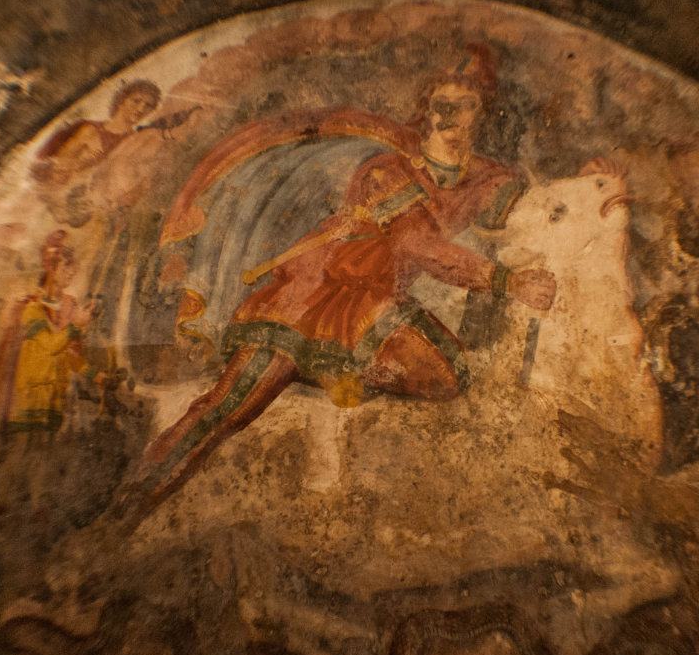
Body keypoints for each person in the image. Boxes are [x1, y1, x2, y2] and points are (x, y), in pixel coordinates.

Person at [127, 47, 555, 518]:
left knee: (447, 373)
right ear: (426, 112)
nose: (449, 114)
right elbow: (418, 246)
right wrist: (506, 281)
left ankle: (339, 369)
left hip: (374, 301)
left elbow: (540, 211)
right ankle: (135, 500)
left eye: (464, 103)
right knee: (229, 407)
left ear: (482, 112)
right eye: (440, 103)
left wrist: (594, 185)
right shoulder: (387, 170)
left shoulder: (488, 180)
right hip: (309, 296)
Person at [0, 231, 101, 433]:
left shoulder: (70, 305)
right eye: (67, 266)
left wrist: (97, 377)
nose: (72, 272)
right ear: (51, 267)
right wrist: (75, 325)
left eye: (74, 267)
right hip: (29, 402)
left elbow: (69, 356)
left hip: (55, 401)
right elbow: (52, 346)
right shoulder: (31, 307)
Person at [29, 80, 161, 228]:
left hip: (105, 214)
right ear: (122, 101)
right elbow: (58, 167)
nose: (141, 108)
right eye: (136, 101)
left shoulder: (137, 141)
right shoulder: (89, 131)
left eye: (148, 105)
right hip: (67, 208)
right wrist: (86, 166)